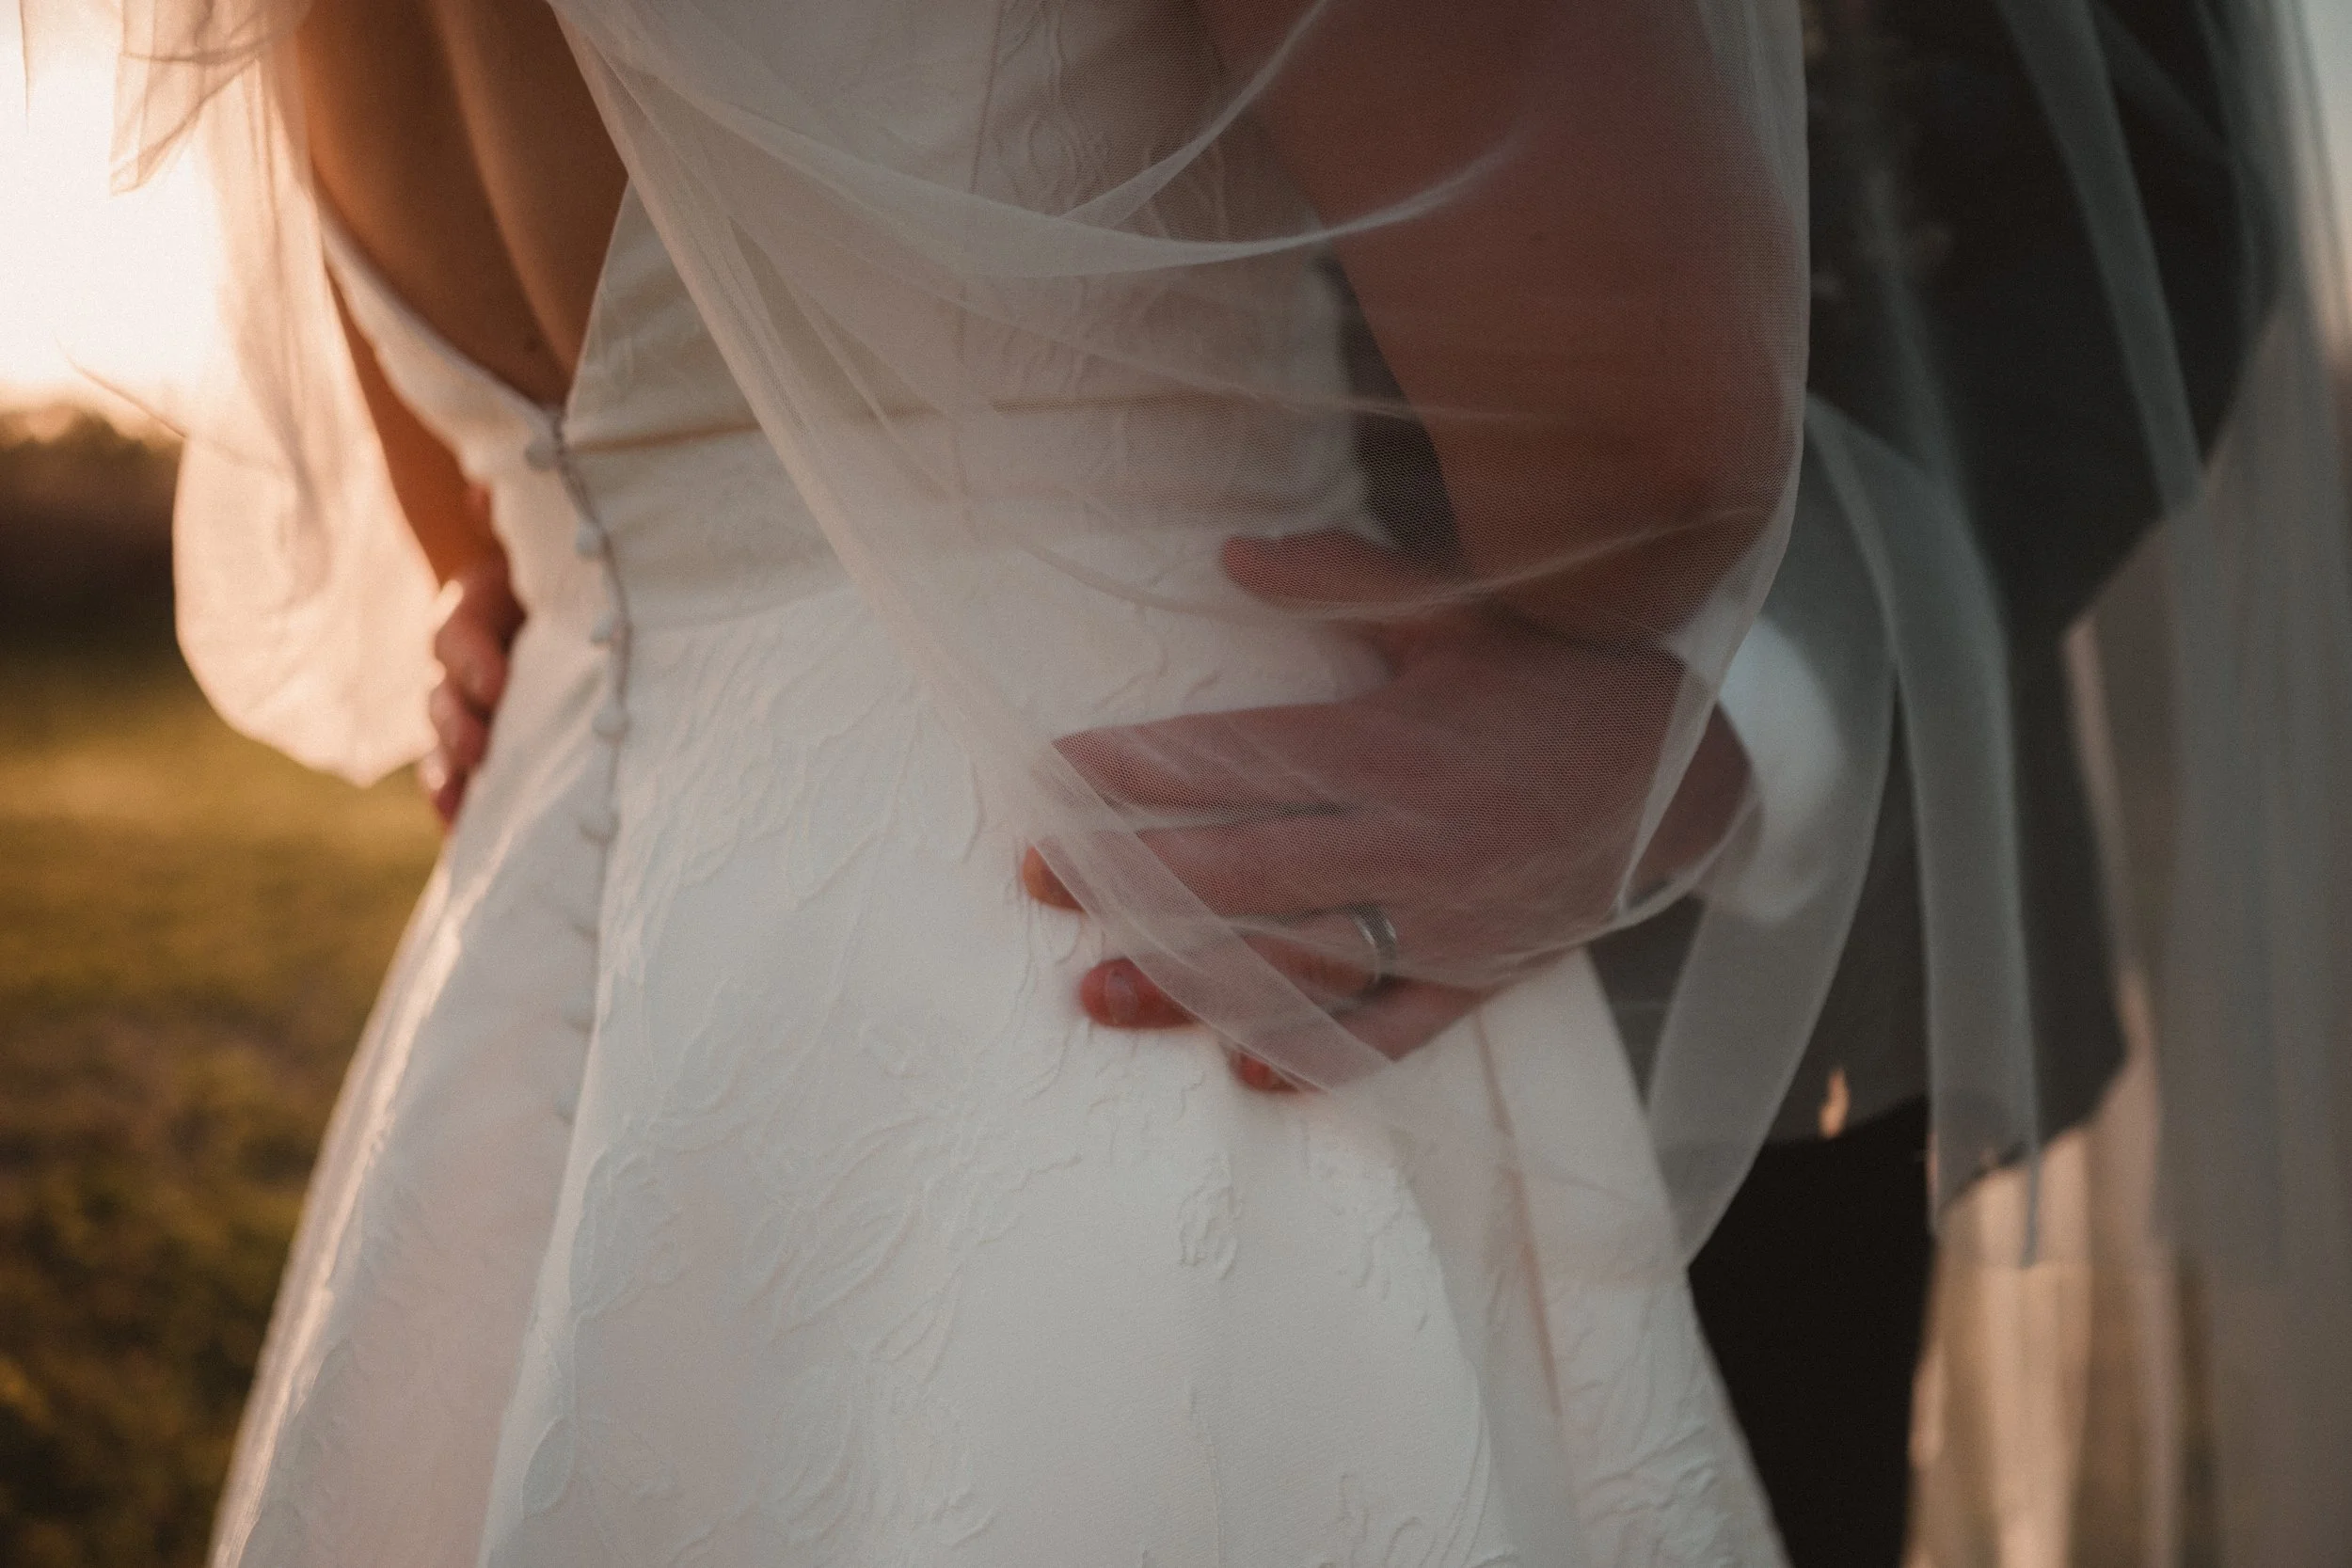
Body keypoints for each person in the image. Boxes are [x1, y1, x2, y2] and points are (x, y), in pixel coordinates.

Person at [21, 0, 2351, 1562]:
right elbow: (1637, 452)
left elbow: (508, 518)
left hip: (599, 1017)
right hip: (1185, 973)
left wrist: (1742, 707)